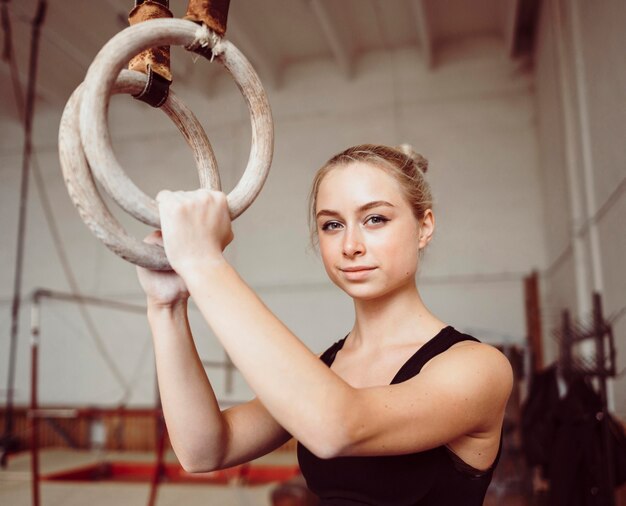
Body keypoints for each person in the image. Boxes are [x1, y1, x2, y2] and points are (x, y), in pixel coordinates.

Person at [137, 144, 513, 505]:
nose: (350, 244)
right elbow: (205, 450)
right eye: (332, 225)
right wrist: (165, 306)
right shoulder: (325, 369)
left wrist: (206, 263)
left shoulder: (478, 368)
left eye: (375, 219)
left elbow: (337, 427)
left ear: (424, 226)